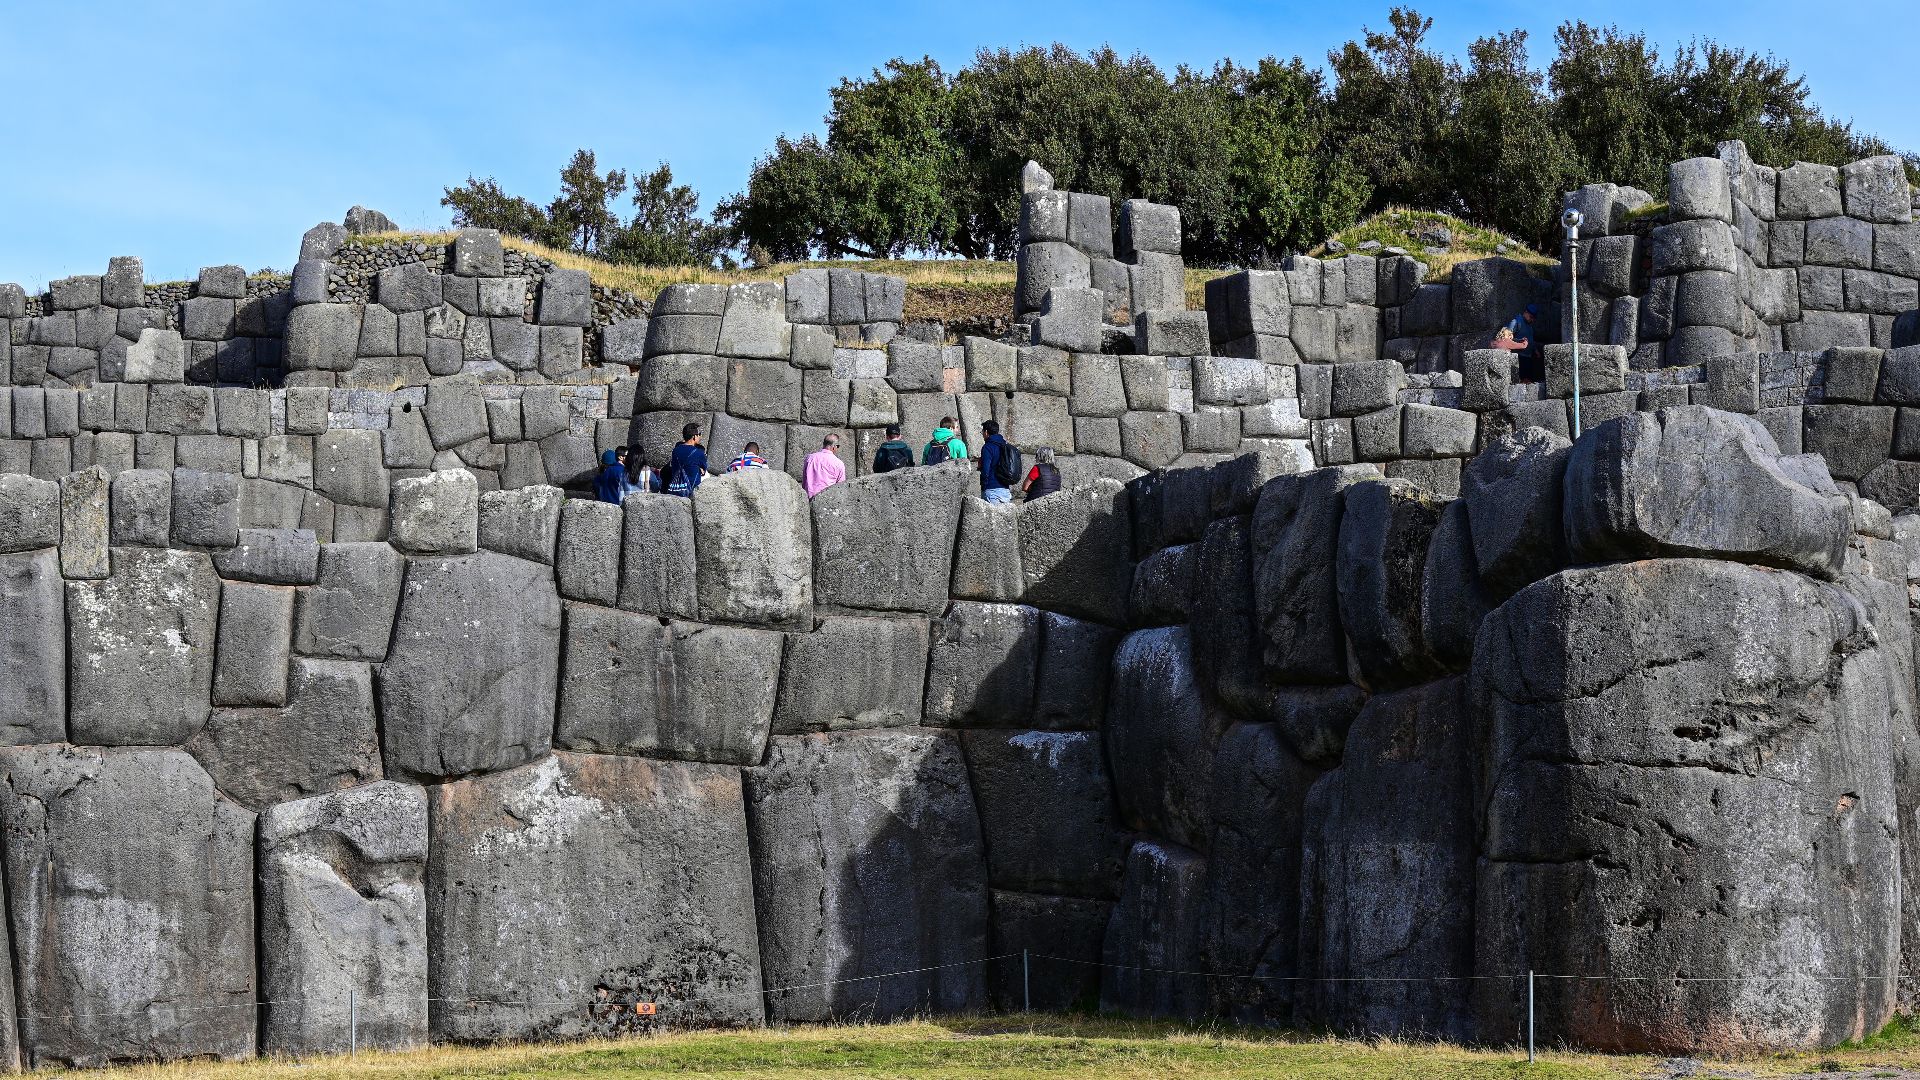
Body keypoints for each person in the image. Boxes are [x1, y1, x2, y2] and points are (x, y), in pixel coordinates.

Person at [1496, 303, 1546, 383]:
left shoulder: (1530, 326)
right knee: (1522, 379)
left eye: (1533, 318)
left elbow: (1531, 340)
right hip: (1519, 356)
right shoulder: (1516, 322)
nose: (1532, 320)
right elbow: (1507, 338)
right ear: (1526, 312)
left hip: (1528, 356)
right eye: (1531, 317)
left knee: (1529, 378)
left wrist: (1535, 350)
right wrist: (1519, 343)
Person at [978, 419, 1017, 505]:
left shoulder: (987, 447)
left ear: (986, 432)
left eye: (982, 432)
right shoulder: (1005, 446)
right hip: (1005, 490)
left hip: (991, 491)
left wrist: (984, 486)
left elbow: (985, 470)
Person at [665, 422, 706, 497]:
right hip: (691, 490)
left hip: (676, 488)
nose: (700, 437)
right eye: (699, 434)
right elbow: (704, 470)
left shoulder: (675, 451)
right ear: (694, 436)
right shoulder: (699, 453)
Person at [803, 433, 847, 498]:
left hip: (808, 498)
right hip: (827, 500)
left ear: (824, 444)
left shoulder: (809, 458)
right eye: (838, 446)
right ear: (834, 447)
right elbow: (840, 487)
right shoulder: (839, 463)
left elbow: (804, 480)